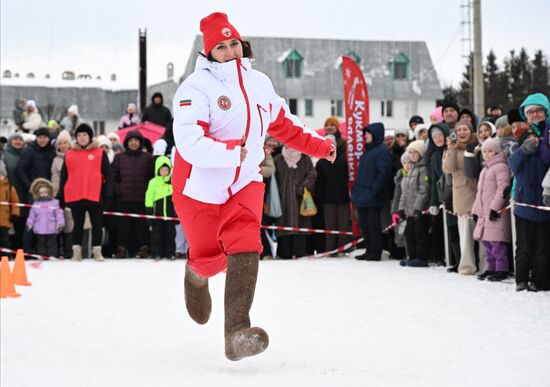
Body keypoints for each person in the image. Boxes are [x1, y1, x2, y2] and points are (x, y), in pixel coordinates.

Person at [171, 12, 335, 361]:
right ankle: (195, 274)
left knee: (246, 243)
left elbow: (287, 126)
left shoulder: (259, 83)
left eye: (234, 43)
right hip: (198, 185)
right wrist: (232, 152)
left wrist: (322, 146)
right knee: (209, 257)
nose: (230, 51)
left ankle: (236, 334)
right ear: (209, 52)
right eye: (221, 46)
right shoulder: (195, 88)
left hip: (244, 181)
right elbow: (189, 141)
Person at [59, 123, 113, 261]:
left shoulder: (100, 153)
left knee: (97, 224)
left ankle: (97, 251)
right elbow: (64, 176)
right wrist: (61, 195)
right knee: (77, 225)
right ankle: (76, 251)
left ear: (90, 136)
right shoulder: (69, 154)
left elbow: (108, 174)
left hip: (95, 194)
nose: (81, 137)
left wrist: (108, 194)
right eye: (79, 135)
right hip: (76, 195)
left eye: (84, 135)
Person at [508, 126, 550, 291]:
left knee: (542, 249)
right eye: (528, 138)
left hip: (543, 210)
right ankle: (521, 279)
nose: (533, 142)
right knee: (523, 248)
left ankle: (538, 281)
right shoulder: (518, 156)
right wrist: (524, 149)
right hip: (524, 210)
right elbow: (512, 163)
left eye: (535, 138)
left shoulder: (544, 156)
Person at [442, 120, 482, 275]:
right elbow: (448, 168)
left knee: (484, 234)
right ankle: (467, 267)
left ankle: (486, 266)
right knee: (465, 235)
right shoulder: (451, 149)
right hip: (462, 194)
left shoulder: (478, 146)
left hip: (480, 191)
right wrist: (451, 149)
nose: (462, 132)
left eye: (465, 129)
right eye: (459, 130)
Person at [351, 122, 392, 261]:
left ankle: (376, 252)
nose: (365, 136)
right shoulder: (368, 151)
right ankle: (369, 250)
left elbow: (383, 174)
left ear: (375, 134)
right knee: (364, 225)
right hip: (363, 196)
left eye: (367, 133)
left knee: (373, 225)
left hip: (374, 197)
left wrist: (373, 191)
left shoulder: (382, 151)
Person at [471, 138, 511, 282]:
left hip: (495, 213)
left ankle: (501, 269)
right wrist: (475, 210)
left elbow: (502, 189)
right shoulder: (485, 169)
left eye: (490, 151)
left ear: (497, 152)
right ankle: (491, 268)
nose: (487, 154)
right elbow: (479, 192)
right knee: (486, 242)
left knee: (497, 243)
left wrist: (495, 208)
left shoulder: (501, 166)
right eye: (485, 151)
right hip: (483, 213)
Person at [112, 130, 154, 258]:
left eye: (136, 140)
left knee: (141, 227)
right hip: (123, 199)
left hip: (142, 199)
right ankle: (122, 249)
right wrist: (118, 189)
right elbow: (113, 177)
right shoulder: (119, 157)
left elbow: (151, 177)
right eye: (131, 140)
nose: (134, 143)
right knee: (123, 227)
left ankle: (143, 248)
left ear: (140, 142)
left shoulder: (147, 157)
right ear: (126, 142)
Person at [394, 140, 431, 267]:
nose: (413, 155)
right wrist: (401, 209)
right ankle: (411, 256)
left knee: (420, 233)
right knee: (409, 233)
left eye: (416, 152)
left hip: (419, 210)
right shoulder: (410, 170)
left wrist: (418, 208)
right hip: (409, 211)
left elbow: (424, 190)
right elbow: (405, 192)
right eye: (411, 152)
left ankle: (421, 258)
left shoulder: (423, 169)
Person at [145, 156, 177, 259]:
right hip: (157, 214)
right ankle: (156, 253)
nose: (164, 172)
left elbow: (177, 198)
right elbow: (149, 196)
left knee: (170, 234)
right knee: (156, 235)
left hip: (170, 214)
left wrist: (177, 212)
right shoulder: (153, 182)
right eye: (162, 169)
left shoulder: (173, 182)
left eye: (166, 170)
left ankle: (170, 253)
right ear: (158, 170)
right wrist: (149, 210)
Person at [50, 130, 74, 258]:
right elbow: (54, 178)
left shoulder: (74, 156)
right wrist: (55, 193)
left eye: (65, 142)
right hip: (57, 194)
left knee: (70, 224)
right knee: (58, 222)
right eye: (60, 143)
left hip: (72, 194)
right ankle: (57, 251)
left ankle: (68, 250)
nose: (63, 145)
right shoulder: (55, 159)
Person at [26, 178, 64, 257]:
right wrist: (29, 223)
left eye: (45, 192)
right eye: (41, 193)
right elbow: (32, 215)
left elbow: (59, 214)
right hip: (39, 229)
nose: (44, 194)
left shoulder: (55, 203)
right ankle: (41, 255)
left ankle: (52, 256)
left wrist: (60, 223)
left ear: (49, 192)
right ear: (38, 193)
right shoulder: (36, 204)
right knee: (40, 243)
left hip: (51, 228)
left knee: (51, 243)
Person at [0, 160, 20, 249]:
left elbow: (15, 202)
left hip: (5, 220)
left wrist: (15, 214)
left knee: (5, 240)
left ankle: (5, 258)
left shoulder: (9, 188)